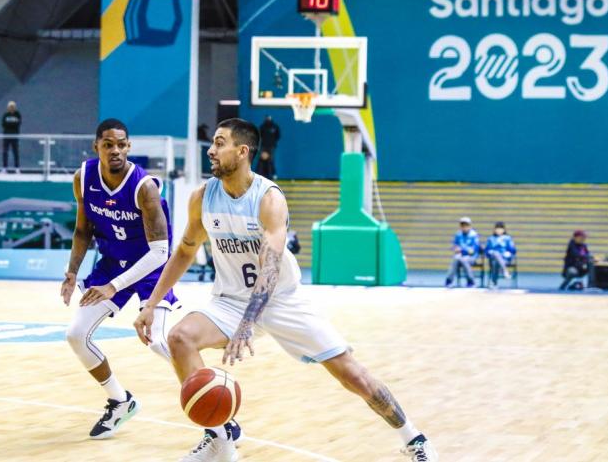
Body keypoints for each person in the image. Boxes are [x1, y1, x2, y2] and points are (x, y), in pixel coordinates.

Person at [133, 118, 438, 462]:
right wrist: (151, 304)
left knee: (352, 375)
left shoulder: (268, 199)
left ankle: (415, 439)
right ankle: (220, 437)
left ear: (242, 151)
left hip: (282, 300)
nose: (211, 151)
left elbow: (270, 267)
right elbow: (185, 251)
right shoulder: (202, 198)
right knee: (179, 338)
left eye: (219, 143)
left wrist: (248, 323)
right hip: (230, 301)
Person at [60, 118, 179, 439]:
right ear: (96, 146)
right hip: (112, 263)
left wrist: (113, 287)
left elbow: (160, 252)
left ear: (129, 147)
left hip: (150, 268)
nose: (115, 150)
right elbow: (82, 230)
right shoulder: (83, 178)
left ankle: (212, 395)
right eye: (108, 144)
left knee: (158, 342)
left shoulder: (144, 187)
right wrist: (72, 272)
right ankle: (120, 401)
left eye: (121, 144)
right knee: (76, 335)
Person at [444, 216, 480, 288]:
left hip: (471, 257)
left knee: (464, 259)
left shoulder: (474, 235)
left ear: (470, 226)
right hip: (460, 256)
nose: (464, 227)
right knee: (456, 258)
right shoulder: (458, 234)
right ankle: (449, 281)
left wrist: (462, 250)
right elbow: (454, 245)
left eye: (466, 225)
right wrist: (455, 248)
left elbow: (473, 250)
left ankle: (471, 281)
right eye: (462, 225)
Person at [484, 221, 517, 288]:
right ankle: (505, 270)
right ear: (494, 230)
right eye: (497, 228)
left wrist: (509, 253)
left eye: (501, 228)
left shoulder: (508, 238)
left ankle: (494, 283)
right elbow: (486, 251)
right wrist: (490, 252)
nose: (499, 230)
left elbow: (513, 250)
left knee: (496, 262)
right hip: (492, 259)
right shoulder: (491, 239)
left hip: (505, 260)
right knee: (495, 254)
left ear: (504, 230)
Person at [256, 115, 280, 180]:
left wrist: (273, 143)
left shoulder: (275, 127)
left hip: (271, 147)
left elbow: (277, 136)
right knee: (261, 161)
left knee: (271, 161)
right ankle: (259, 175)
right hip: (263, 147)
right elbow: (259, 136)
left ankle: (272, 175)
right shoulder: (262, 127)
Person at [1, 100, 21, 173]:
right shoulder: (5, 115)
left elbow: (18, 124)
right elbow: (3, 124)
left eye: (13, 107)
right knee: (5, 152)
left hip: (14, 136)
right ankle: (4, 168)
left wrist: (10, 124)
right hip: (6, 136)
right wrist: (11, 124)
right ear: (8, 107)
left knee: (15, 152)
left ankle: (17, 168)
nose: (11, 108)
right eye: (10, 107)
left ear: (15, 107)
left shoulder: (17, 115)